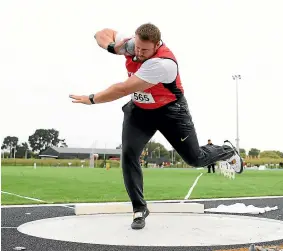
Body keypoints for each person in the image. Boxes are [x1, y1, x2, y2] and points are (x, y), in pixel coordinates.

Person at [69, 23, 244, 230]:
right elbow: (101, 33)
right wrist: (112, 46)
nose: (140, 53)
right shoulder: (132, 45)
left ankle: (226, 151)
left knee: (195, 159)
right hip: (140, 111)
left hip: (171, 112)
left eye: (145, 50)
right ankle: (139, 208)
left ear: (157, 45)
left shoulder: (162, 64)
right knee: (129, 154)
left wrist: (92, 99)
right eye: (138, 48)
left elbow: (123, 89)